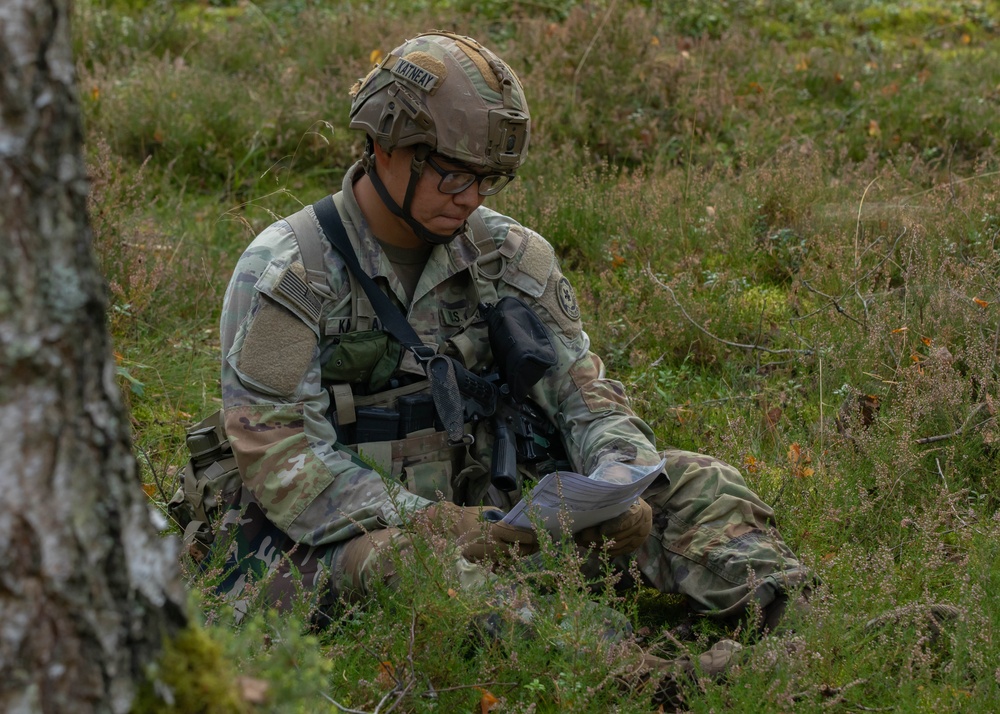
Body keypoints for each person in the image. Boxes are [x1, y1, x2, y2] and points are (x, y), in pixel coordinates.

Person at [216, 31, 811, 645]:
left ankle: (796, 635)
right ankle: (627, 673)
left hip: (509, 509)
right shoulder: (290, 274)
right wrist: (451, 530)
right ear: (384, 144)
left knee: (694, 480)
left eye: (488, 180)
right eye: (451, 176)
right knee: (411, 567)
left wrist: (617, 480)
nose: (470, 199)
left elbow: (585, 393)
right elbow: (284, 460)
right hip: (351, 539)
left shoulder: (510, 256)